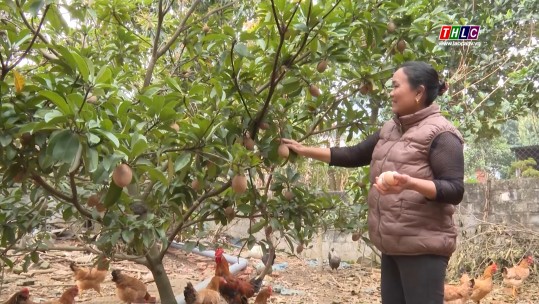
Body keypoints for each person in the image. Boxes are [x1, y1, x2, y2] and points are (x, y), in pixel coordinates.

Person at [282, 61, 464, 304]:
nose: (390, 91)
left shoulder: (442, 134)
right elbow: (354, 154)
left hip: (423, 249)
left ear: (418, 93)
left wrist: (410, 183)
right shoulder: (391, 129)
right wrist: (304, 150)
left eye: (396, 85)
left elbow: (454, 190)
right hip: (392, 245)